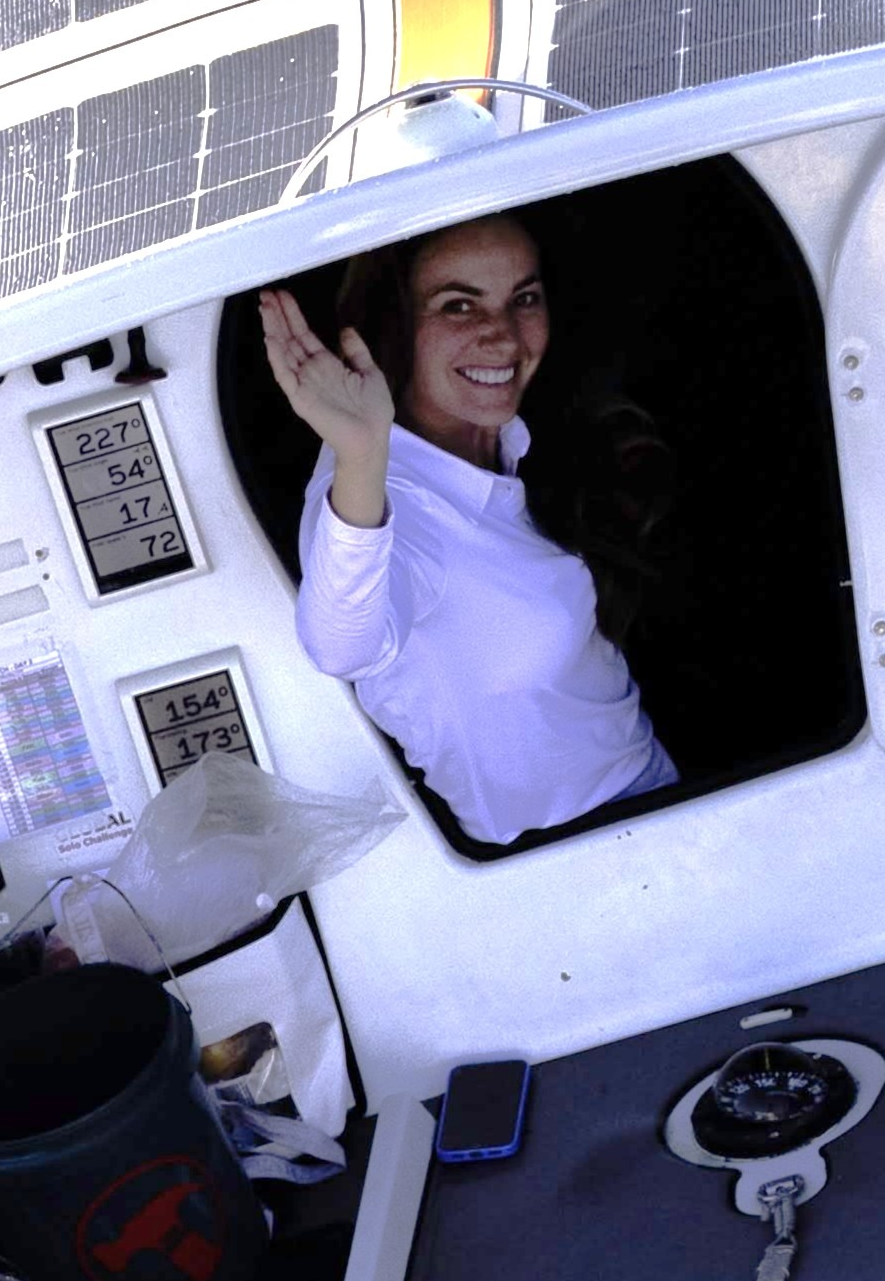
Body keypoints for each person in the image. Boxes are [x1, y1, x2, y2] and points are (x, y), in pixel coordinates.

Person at [264, 214, 676, 846]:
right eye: (458, 305)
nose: (504, 335)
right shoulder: (381, 494)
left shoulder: (502, 438)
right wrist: (362, 453)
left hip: (650, 790)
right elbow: (342, 647)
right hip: (579, 854)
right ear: (394, 326)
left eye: (525, 298)